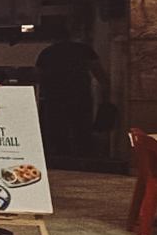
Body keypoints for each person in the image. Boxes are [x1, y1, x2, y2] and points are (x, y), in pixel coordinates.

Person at [36, 25, 109, 160]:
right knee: (81, 126)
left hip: (55, 95)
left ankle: (60, 156)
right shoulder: (84, 49)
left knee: (57, 127)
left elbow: (39, 75)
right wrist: (106, 87)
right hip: (80, 93)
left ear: (53, 38)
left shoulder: (47, 52)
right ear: (70, 36)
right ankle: (83, 156)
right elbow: (97, 70)